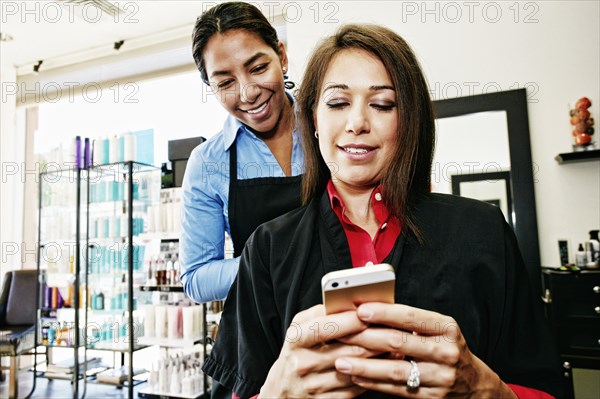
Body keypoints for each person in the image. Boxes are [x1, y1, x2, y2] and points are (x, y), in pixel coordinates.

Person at [202, 24, 565, 398]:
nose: (357, 123)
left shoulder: (482, 231)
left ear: (408, 120)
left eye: (382, 104)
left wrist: (484, 388)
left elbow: (545, 387)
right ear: (312, 119)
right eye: (338, 103)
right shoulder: (268, 248)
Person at [180, 2, 303, 304]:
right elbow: (197, 279)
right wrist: (275, 263)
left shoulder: (329, 129)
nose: (248, 92)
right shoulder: (209, 162)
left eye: (258, 68)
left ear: (282, 57)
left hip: (342, 326)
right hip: (256, 335)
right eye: (225, 82)